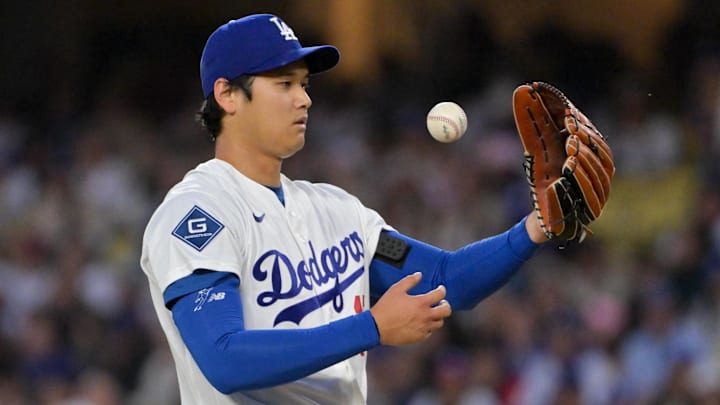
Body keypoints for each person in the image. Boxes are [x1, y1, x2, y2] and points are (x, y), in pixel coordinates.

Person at [140, 13, 549, 404]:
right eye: (284, 83)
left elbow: (445, 280)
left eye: (304, 84)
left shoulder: (337, 211)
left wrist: (537, 226)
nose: (304, 99)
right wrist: (371, 327)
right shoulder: (200, 212)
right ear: (227, 95)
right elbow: (224, 357)